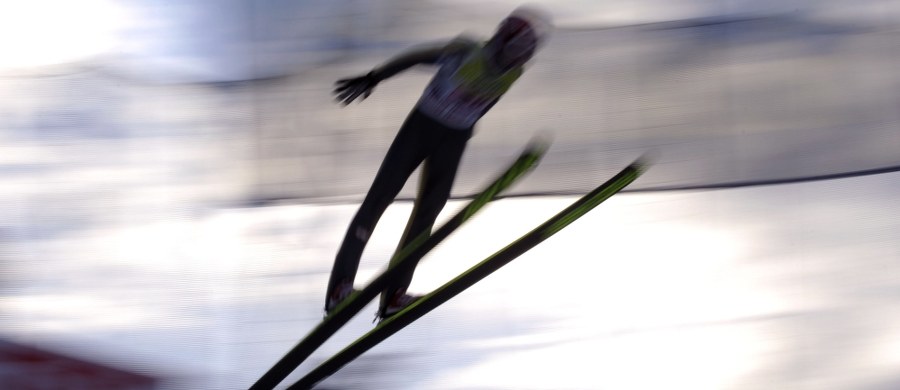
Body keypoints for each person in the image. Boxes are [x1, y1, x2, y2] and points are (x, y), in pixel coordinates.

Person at [325, 6, 552, 320]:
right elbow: (418, 56)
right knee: (380, 199)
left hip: (453, 138)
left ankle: (394, 295)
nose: (510, 63)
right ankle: (340, 289)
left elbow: (489, 100)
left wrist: (467, 127)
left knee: (429, 212)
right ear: (499, 42)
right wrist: (374, 76)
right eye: (511, 54)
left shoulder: (514, 73)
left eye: (519, 58)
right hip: (421, 127)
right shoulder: (467, 50)